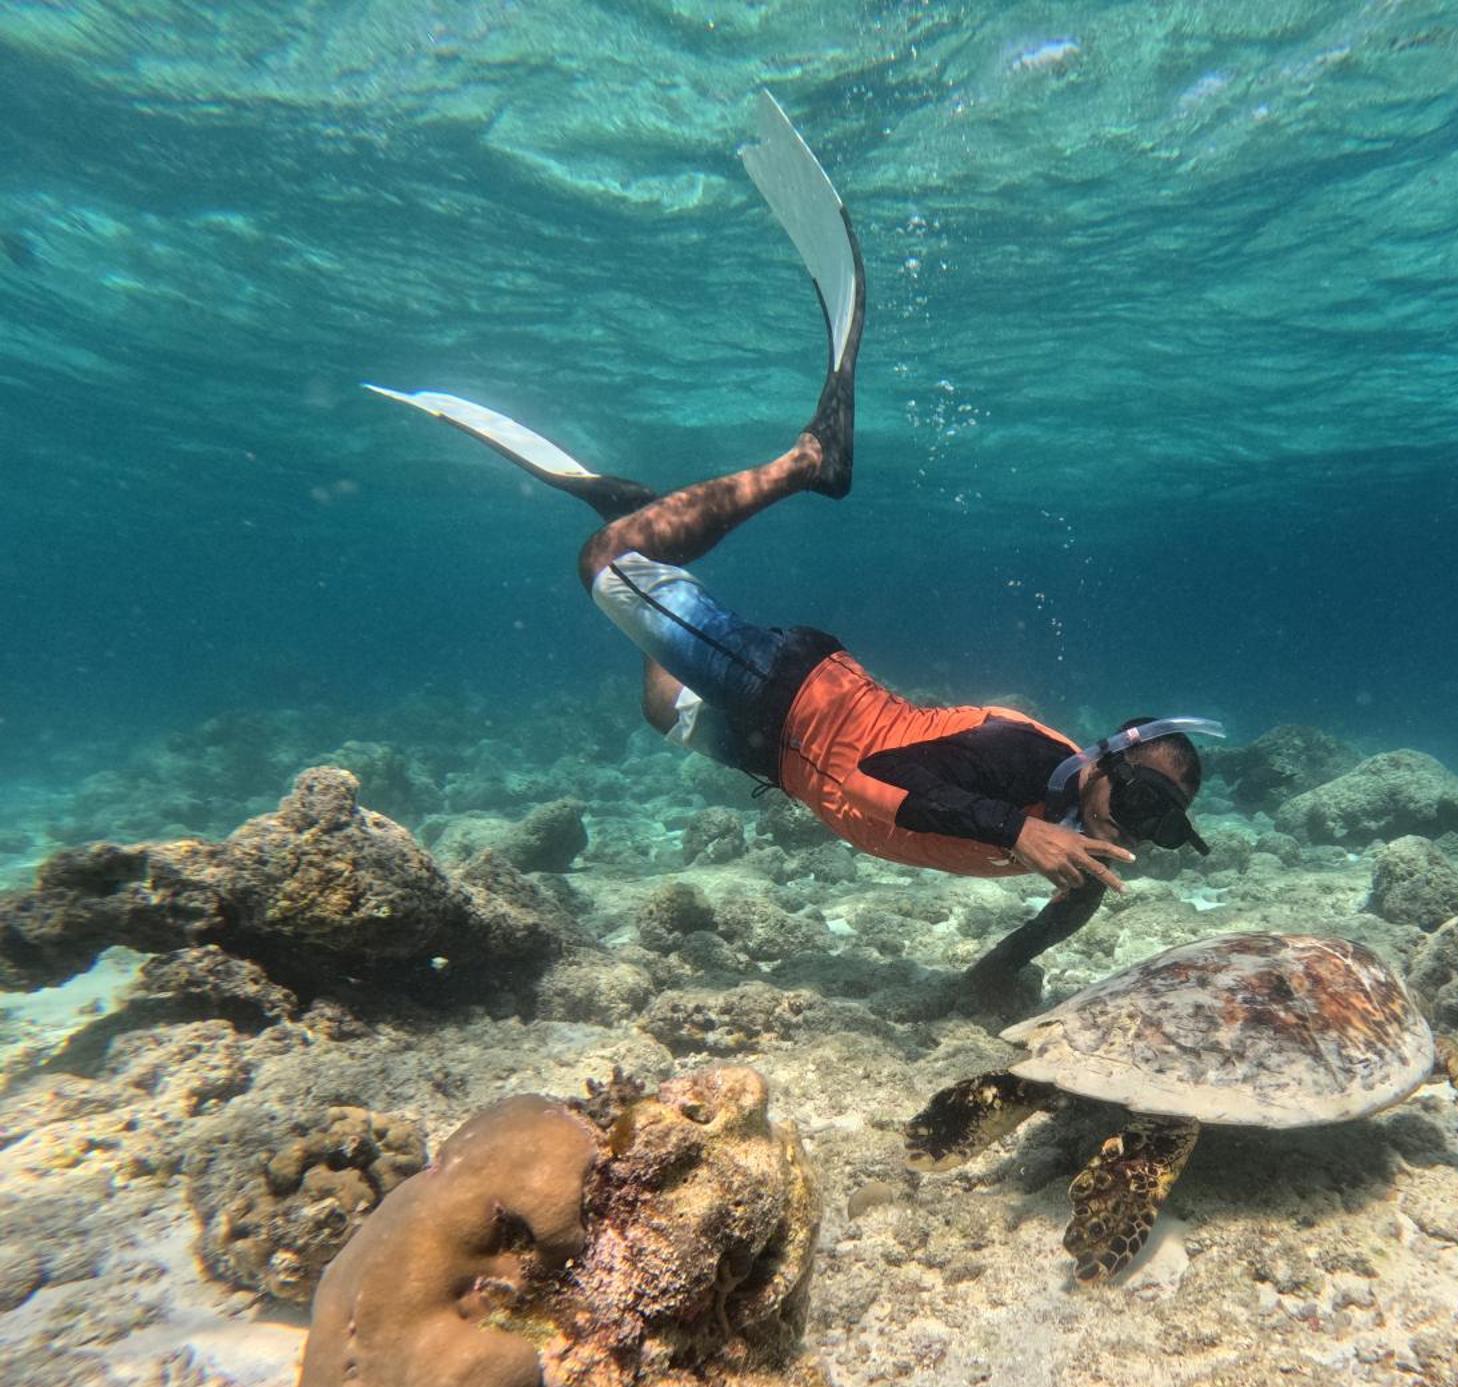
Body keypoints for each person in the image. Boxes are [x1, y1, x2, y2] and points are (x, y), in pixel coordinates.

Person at [369, 93, 1220, 998]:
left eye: (1159, 826)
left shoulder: (1082, 847)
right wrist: (1018, 833)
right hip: (797, 695)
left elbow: (1060, 914)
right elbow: (891, 774)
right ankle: (804, 462)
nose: (1133, 829)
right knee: (610, 572)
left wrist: (987, 980)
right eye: (1137, 800)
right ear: (1105, 760)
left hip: (778, 760)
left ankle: (643, 517)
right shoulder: (1025, 758)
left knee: (663, 708)